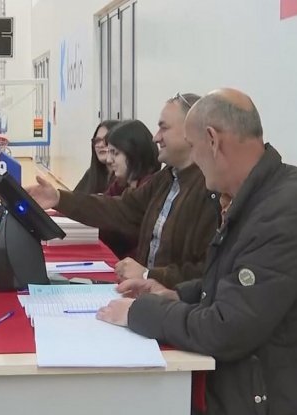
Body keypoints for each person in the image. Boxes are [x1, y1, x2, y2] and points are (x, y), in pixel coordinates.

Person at [97, 89, 297, 415]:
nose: (195, 164)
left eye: (194, 148)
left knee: (124, 412)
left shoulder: (284, 212)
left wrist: (141, 312)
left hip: (272, 409)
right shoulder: (260, 195)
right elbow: (231, 283)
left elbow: (227, 329)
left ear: (213, 141)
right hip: (255, 381)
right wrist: (175, 294)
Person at [27, 93, 218, 288]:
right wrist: (59, 198)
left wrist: (148, 275)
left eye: (164, 128)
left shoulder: (212, 189)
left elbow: (208, 271)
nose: (156, 137)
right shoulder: (168, 178)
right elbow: (122, 208)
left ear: (192, 130)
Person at [100, 119, 160, 259]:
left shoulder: (150, 188)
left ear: (134, 152)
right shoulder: (122, 183)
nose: (108, 160)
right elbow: (101, 208)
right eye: (109, 152)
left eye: (115, 153)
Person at [73, 120, 120, 194]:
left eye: (106, 140)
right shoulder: (91, 173)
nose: (100, 145)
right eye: (97, 140)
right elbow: (74, 198)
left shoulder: (125, 178)